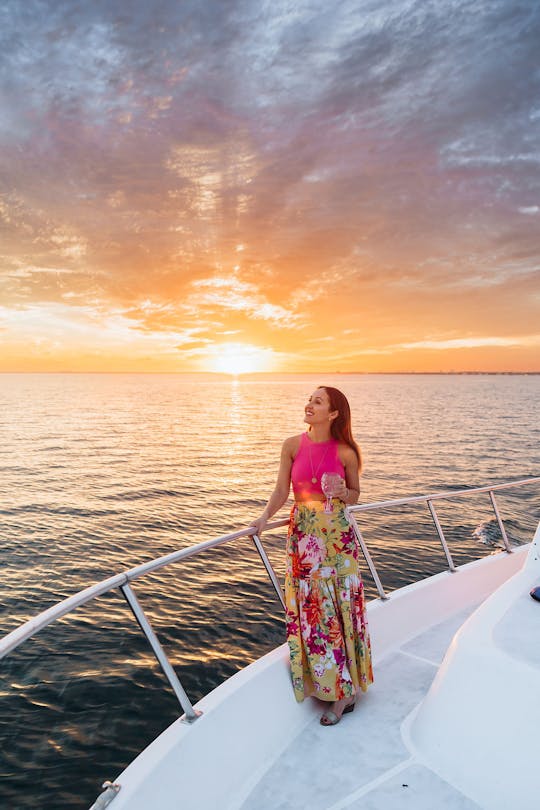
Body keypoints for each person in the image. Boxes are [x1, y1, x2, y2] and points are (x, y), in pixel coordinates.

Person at [251, 385, 373, 726]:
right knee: (313, 611)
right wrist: (263, 519)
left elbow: (355, 496)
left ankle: (344, 693)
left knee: (340, 608)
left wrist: (342, 491)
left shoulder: (347, 452)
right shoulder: (292, 445)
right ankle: (322, 679)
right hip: (303, 535)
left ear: (333, 413)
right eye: (310, 399)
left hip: (337, 536)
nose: (309, 404)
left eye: (317, 402)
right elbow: (280, 490)